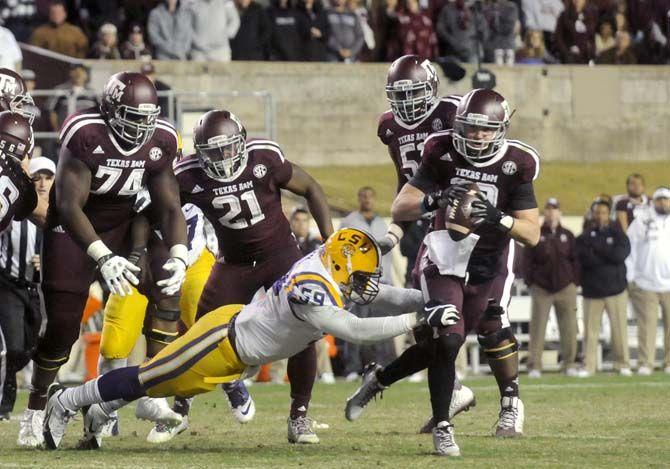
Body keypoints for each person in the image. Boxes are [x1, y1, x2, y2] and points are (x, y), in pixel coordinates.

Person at [42, 228, 459, 450]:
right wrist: (418, 320)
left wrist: (435, 300)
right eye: (361, 275)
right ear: (341, 264)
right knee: (147, 378)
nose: (367, 284)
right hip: (221, 341)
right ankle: (66, 402)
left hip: (235, 355)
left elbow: (384, 295)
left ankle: (99, 411)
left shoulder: (331, 269)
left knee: (158, 382)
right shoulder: (312, 284)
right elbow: (355, 330)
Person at [347, 88, 541, 456]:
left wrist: (498, 217)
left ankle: (383, 379)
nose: (477, 136)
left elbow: (531, 232)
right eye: (470, 128)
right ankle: (443, 426)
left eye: (486, 130)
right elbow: (402, 204)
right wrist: (432, 199)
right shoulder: (441, 150)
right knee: (447, 337)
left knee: (463, 333)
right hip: (445, 255)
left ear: (501, 128)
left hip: (488, 259)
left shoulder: (517, 162)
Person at [17, 71, 189, 448]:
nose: (141, 127)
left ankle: (152, 393)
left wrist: (179, 253)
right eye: (131, 117)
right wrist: (103, 257)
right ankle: (35, 406)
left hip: (123, 225)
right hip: (73, 230)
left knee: (166, 280)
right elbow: (67, 204)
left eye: (146, 117)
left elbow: (169, 205)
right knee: (63, 330)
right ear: (110, 110)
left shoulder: (160, 138)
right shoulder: (85, 131)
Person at [155, 109, 333, 445]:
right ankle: (178, 411)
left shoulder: (264, 156)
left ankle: (299, 416)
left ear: (242, 142)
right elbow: (167, 211)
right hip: (233, 262)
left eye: (227, 148)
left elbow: (311, 187)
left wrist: (329, 240)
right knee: (198, 335)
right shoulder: (189, 174)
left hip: (281, 256)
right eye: (213, 152)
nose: (222, 158)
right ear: (199, 152)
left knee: (306, 329)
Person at [373, 56, 474, 434]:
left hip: (461, 217)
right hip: (425, 215)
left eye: (415, 92)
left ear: (431, 87)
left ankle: (505, 399)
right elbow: (403, 178)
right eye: (401, 95)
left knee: (477, 316)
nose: (409, 103)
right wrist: (396, 228)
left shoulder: (451, 111)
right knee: (427, 316)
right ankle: (455, 391)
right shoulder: (389, 126)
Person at [0, 157, 54, 421]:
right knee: (13, 346)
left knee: (31, 348)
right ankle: (4, 406)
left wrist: (48, 261)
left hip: (36, 289)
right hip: (8, 283)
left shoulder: (59, 210)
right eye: (37, 177)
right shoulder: (12, 205)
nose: (42, 183)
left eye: (48, 177)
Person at [339, 187, 396, 381]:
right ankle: (353, 368)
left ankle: (385, 366)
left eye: (370, 197)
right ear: (358, 198)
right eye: (363, 196)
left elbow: (388, 256)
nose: (367, 200)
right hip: (357, 284)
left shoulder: (383, 223)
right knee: (354, 327)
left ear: (375, 199)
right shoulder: (349, 222)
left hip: (381, 283)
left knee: (383, 326)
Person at [524, 198, 582, 377]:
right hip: (541, 288)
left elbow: (576, 260)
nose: (551, 213)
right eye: (548, 209)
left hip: (565, 287)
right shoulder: (537, 233)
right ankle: (535, 365)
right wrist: (531, 282)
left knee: (569, 327)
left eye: (555, 209)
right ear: (544, 212)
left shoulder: (568, 235)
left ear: (560, 212)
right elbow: (527, 259)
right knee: (538, 327)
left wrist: (574, 281)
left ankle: (569, 364)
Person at [576, 198, 631, 376]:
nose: (600, 216)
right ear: (593, 214)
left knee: (619, 330)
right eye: (597, 212)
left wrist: (599, 250)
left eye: (604, 212)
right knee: (590, 332)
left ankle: (622, 364)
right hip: (592, 291)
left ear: (609, 214)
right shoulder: (585, 236)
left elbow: (619, 255)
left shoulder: (618, 234)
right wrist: (606, 252)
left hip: (616, 290)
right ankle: (588, 366)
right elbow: (585, 258)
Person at [627, 187, 670, 375]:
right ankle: (646, 362)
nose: (663, 203)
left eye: (666, 199)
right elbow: (630, 247)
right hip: (646, 283)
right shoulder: (641, 221)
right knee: (647, 326)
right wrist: (631, 276)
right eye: (660, 199)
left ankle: (669, 363)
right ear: (654, 201)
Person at [46, 65, 98, 139]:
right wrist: (57, 131)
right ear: (70, 73)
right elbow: (51, 111)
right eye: (75, 71)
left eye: (81, 71)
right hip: (65, 134)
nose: (78, 74)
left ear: (86, 75)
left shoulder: (93, 93)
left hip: (87, 135)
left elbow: (99, 113)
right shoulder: (60, 90)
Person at [483, 0, 519, 65]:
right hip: (493, 46)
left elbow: (508, 26)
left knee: (509, 70)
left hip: (508, 46)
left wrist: (496, 23)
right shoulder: (489, 7)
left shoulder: (511, 7)